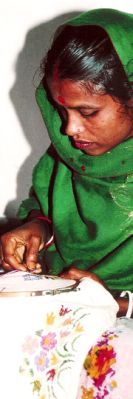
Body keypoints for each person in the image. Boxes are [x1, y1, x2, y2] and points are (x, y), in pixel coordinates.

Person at [0, 8, 133, 317]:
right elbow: (46, 208)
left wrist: (118, 304)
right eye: (62, 112)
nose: (69, 130)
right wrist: (37, 229)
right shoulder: (71, 157)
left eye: (88, 113)